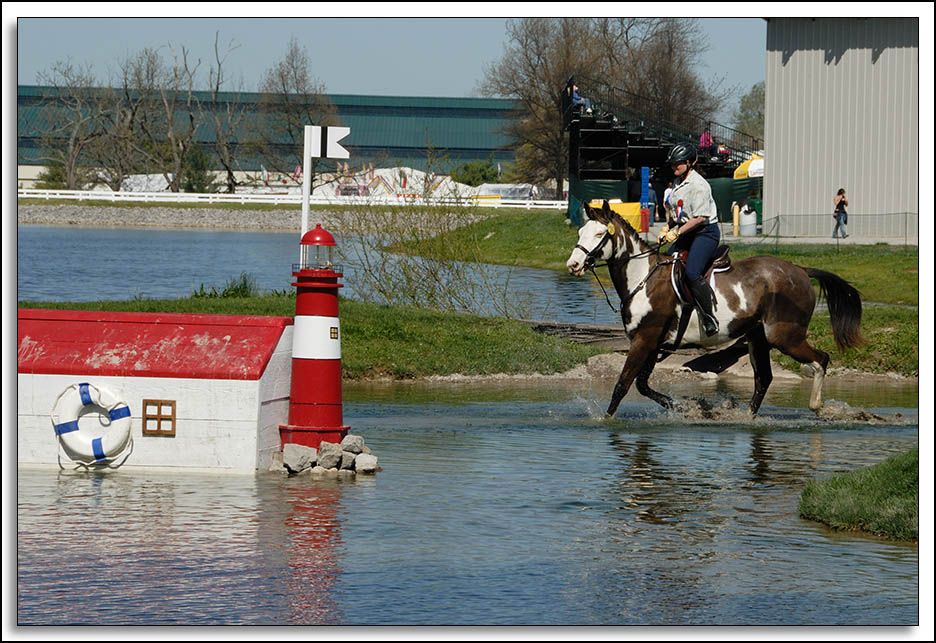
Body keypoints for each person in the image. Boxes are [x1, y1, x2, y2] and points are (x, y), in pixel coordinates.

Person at [657, 143, 721, 336]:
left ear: (689, 163)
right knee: (665, 266)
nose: (674, 167)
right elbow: (677, 211)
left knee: (692, 272)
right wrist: (667, 227)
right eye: (672, 164)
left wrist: (676, 233)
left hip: (705, 232)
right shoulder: (677, 182)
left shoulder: (699, 185)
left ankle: (709, 317)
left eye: (678, 164)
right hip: (686, 230)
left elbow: (700, 217)